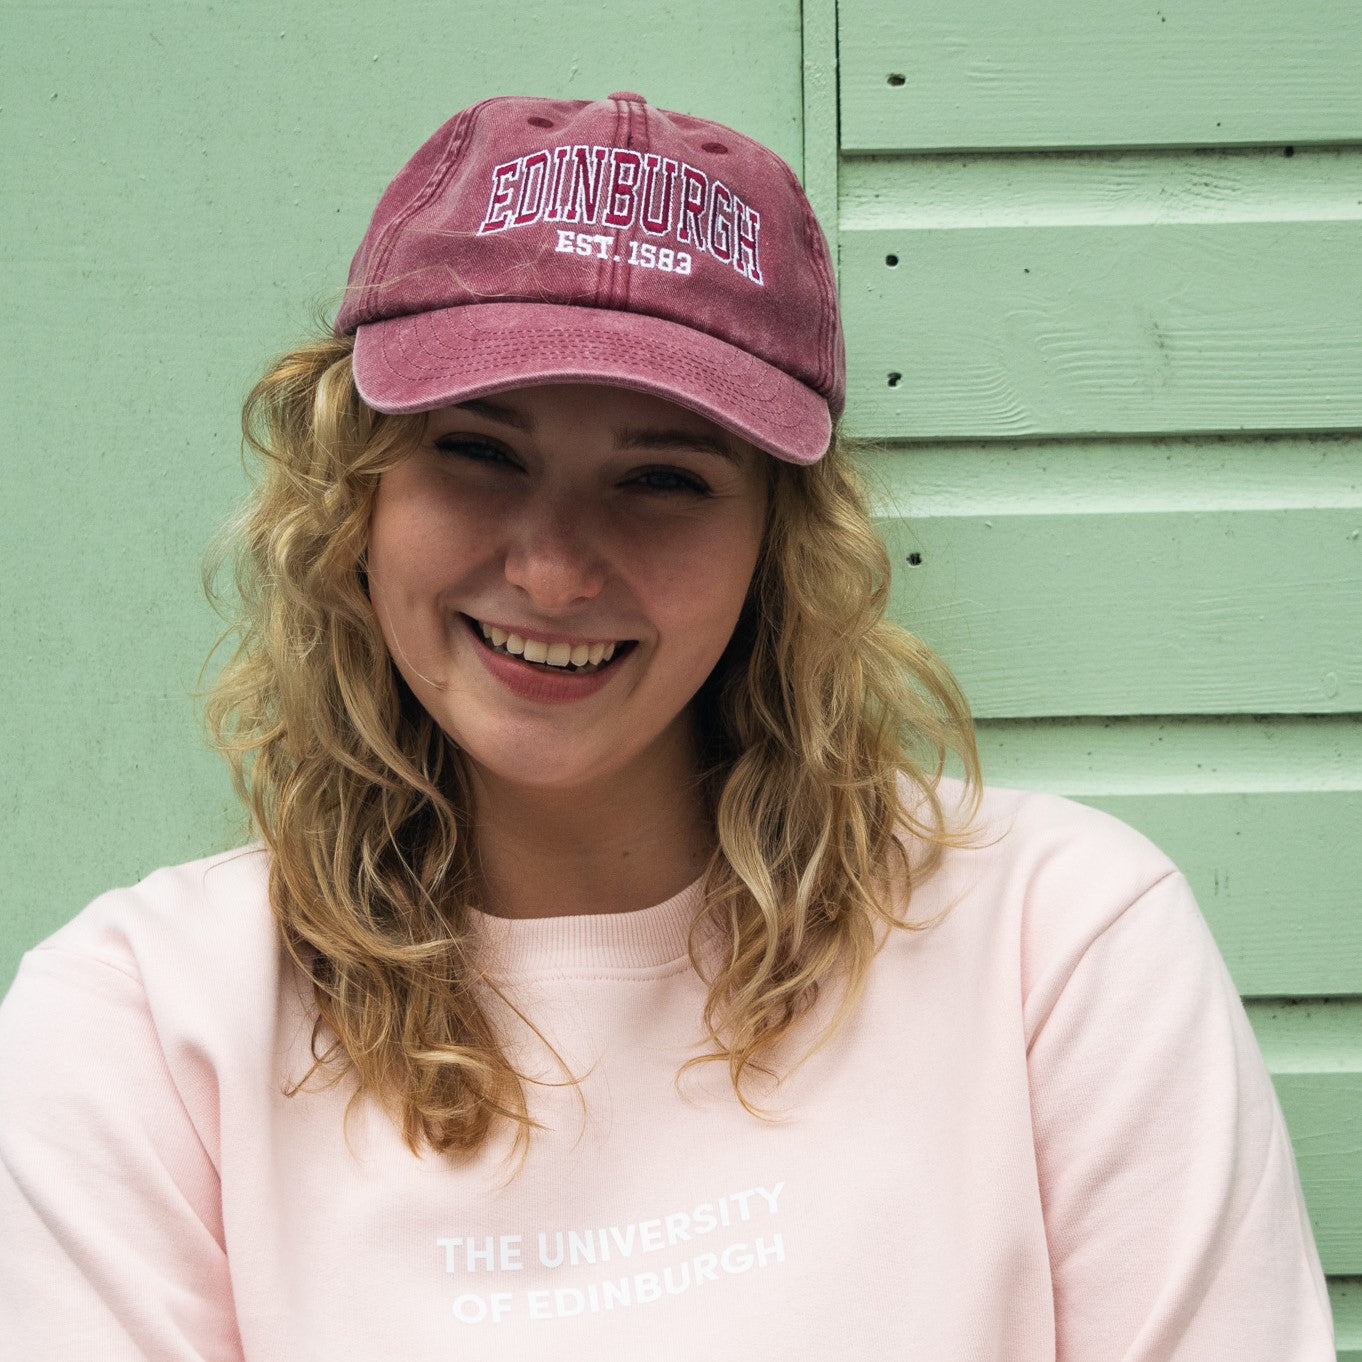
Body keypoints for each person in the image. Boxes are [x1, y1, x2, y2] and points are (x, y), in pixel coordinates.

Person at [0, 91, 1334, 1359]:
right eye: (479, 451)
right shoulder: (143, 1025)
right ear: (356, 496)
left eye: (663, 478)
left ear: (777, 542)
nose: (553, 571)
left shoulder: (1057, 948)